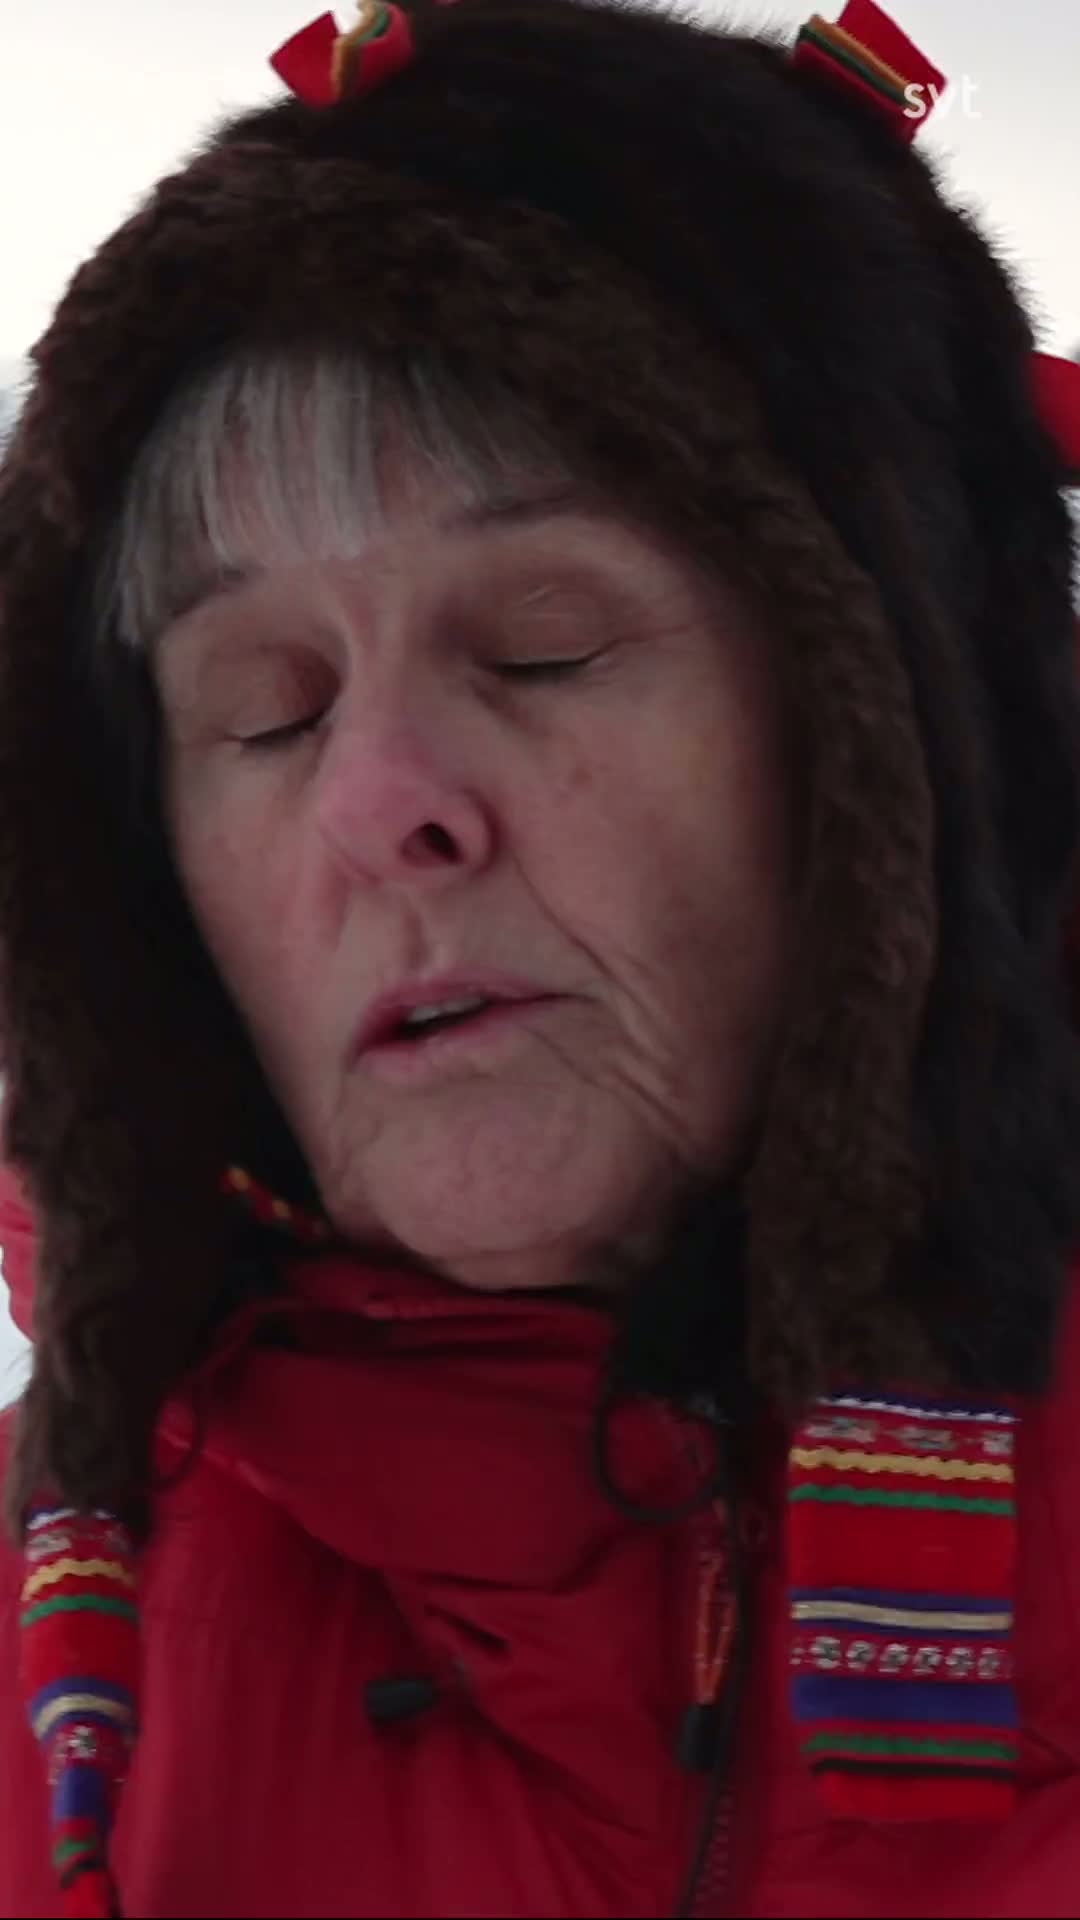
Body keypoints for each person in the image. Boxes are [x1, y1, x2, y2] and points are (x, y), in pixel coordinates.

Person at [1, 0, 1080, 1913]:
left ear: (902, 748)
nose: (378, 805)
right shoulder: (55, 1694)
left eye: (544, 647)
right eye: (265, 711)